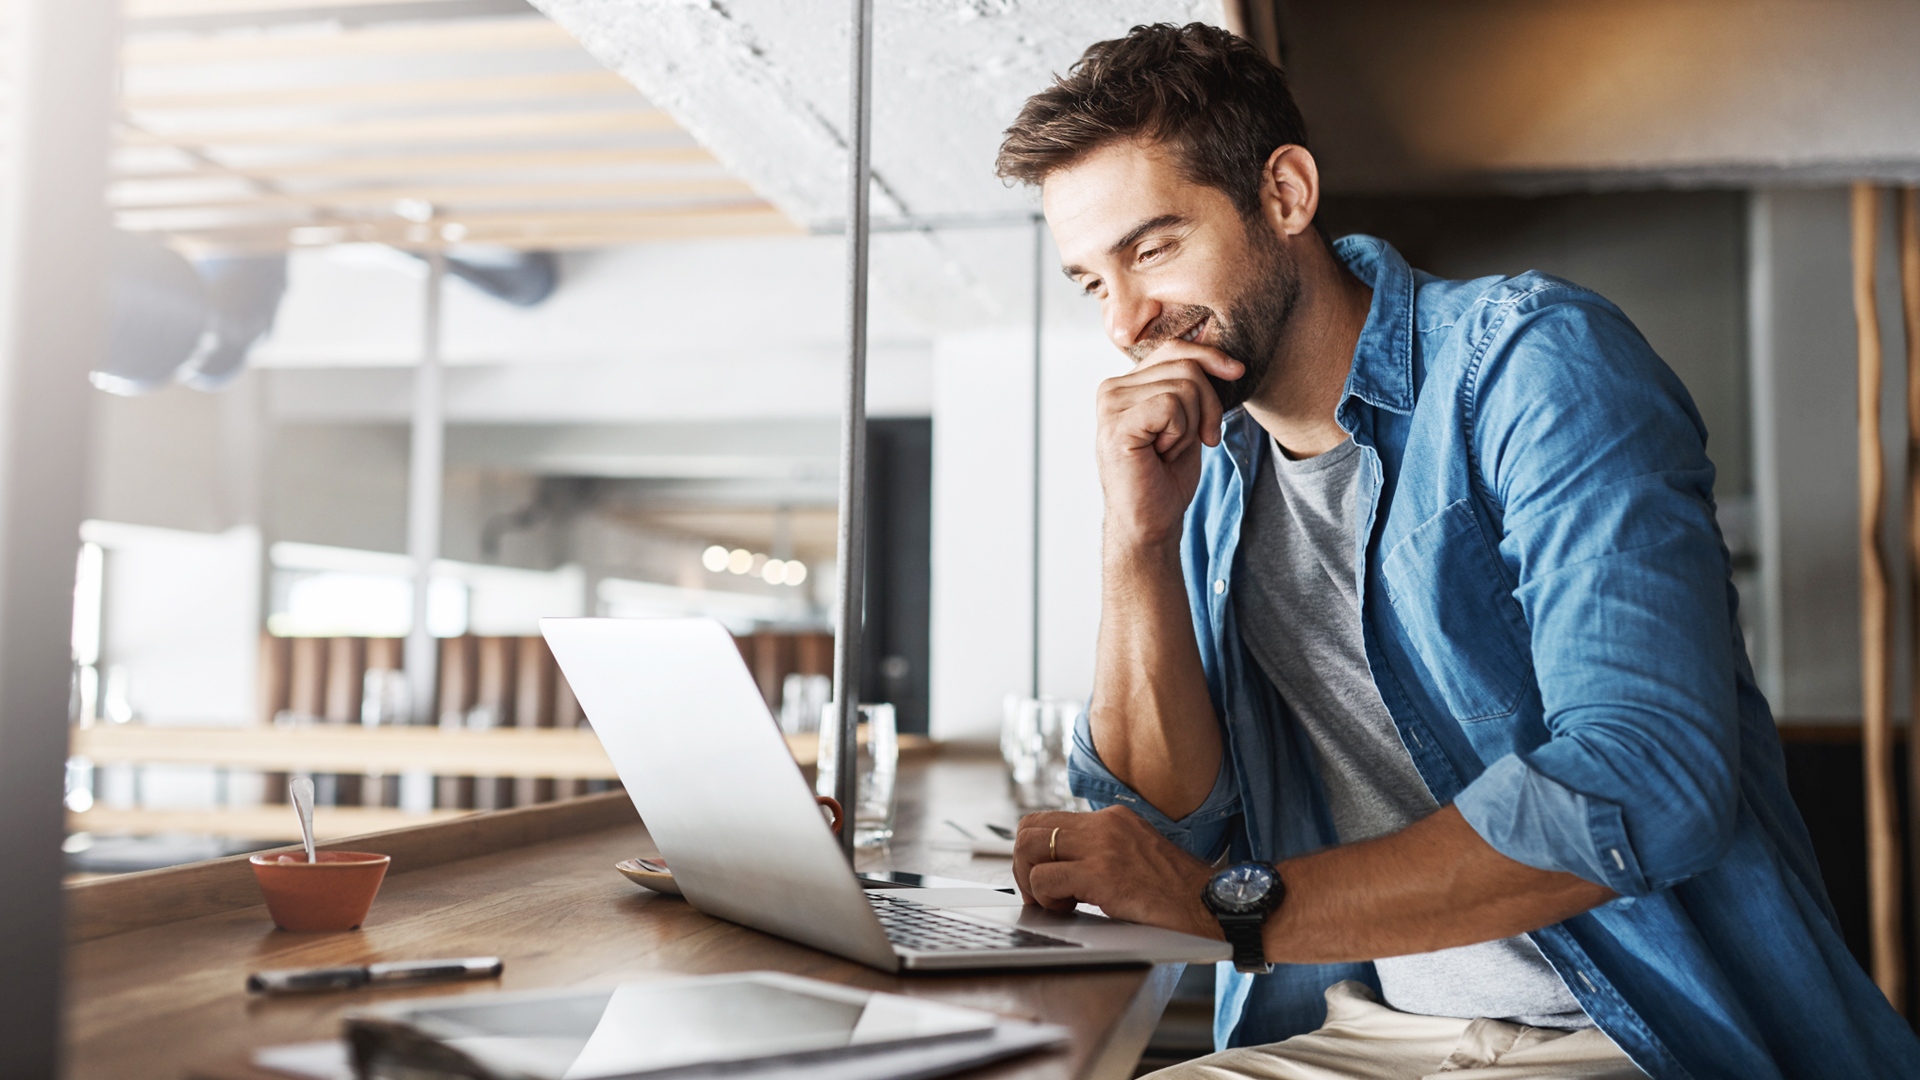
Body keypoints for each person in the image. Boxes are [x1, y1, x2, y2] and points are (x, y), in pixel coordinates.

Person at [993, 21, 1920, 1080]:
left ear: (1286, 195)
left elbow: (1647, 776)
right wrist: (1135, 540)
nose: (1127, 322)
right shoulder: (1208, 468)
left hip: (1619, 1037)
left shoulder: (1533, 364)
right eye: (1093, 282)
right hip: (1357, 1027)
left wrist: (1234, 911)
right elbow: (1161, 833)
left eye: (1153, 248)